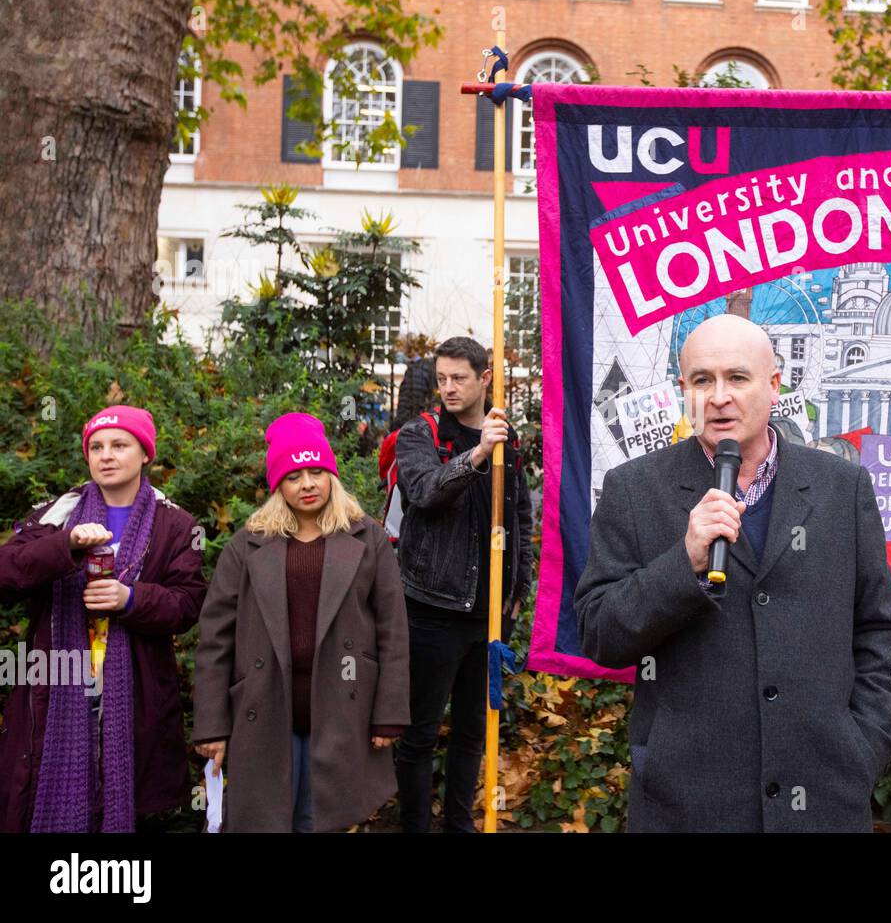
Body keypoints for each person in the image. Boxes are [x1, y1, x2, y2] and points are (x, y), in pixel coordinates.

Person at [575, 314, 891, 832]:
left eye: (737, 378)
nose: (718, 397)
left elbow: (879, 629)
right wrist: (681, 563)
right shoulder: (634, 490)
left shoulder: (841, 488)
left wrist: (864, 746)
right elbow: (599, 632)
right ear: (683, 391)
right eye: (702, 381)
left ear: (774, 386)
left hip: (822, 800)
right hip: (688, 805)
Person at [192, 413, 409, 832]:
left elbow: (393, 631)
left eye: (316, 471)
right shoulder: (247, 544)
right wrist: (212, 724)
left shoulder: (369, 539)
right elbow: (215, 638)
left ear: (331, 475)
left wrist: (390, 711)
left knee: (318, 819)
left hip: (343, 706)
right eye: (293, 476)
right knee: (267, 819)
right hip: (266, 705)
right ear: (278, 486)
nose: (307, 484)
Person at [0, 405, 207, 832]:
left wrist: (131, 599)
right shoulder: (57, 513)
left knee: (125, 810)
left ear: (145, 453)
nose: (106, 455)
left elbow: (188, 606)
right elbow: (8, 571)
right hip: (55, 692)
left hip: (136, 699)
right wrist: (65, 546)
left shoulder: (176, 524)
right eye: (96, 447)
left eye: (119, 445)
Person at [393, 336, 534, 833]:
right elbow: (425, 493)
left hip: (490, 611)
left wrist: (518, 589)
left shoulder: (506, 435)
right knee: (419, 732)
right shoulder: (421, 434)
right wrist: (478, 454)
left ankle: (459, 824)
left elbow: (519, 513)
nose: (448, 388)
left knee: (474, 729)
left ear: (485, 378)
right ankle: (414, 826)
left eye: (459, 378)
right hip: (432, 607)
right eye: (442, 379)